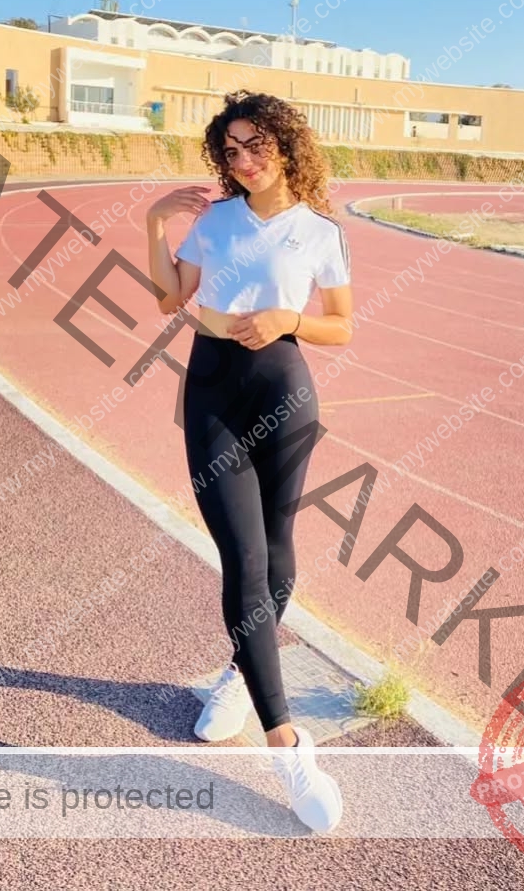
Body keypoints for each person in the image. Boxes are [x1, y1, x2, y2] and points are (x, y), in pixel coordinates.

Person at [145, 90, 353, 832]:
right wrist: (153, 224)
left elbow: (343, 326)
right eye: (229, 150)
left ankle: (241, 669)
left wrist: (289, 318)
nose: (242, 160)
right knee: (243, 560)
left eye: (255, 145)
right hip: (209, 394)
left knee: (277, 552)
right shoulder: (215, 220)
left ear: (287, 145)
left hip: (284, 393)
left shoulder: (320, 231)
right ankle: (288, 746)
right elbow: (171, 295)